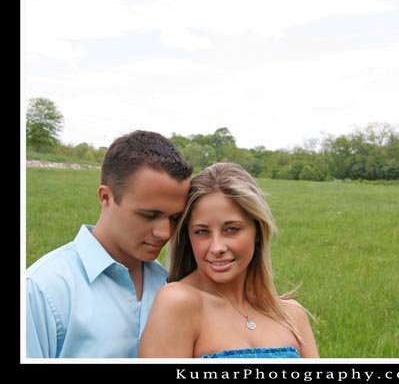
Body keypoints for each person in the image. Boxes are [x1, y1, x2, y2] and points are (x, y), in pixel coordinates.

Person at [26, 130, 194, 358]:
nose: (165, 232)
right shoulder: (43, 290)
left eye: (175, 218)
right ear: (106, 197)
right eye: (149, 215)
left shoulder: (169, 284)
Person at [138, 162, 319, 358]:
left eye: (231, 229)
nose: (217, 248)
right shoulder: (178, 303)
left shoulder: (292, 315)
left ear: (257, 230)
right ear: (188, 237)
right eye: (202, 232)